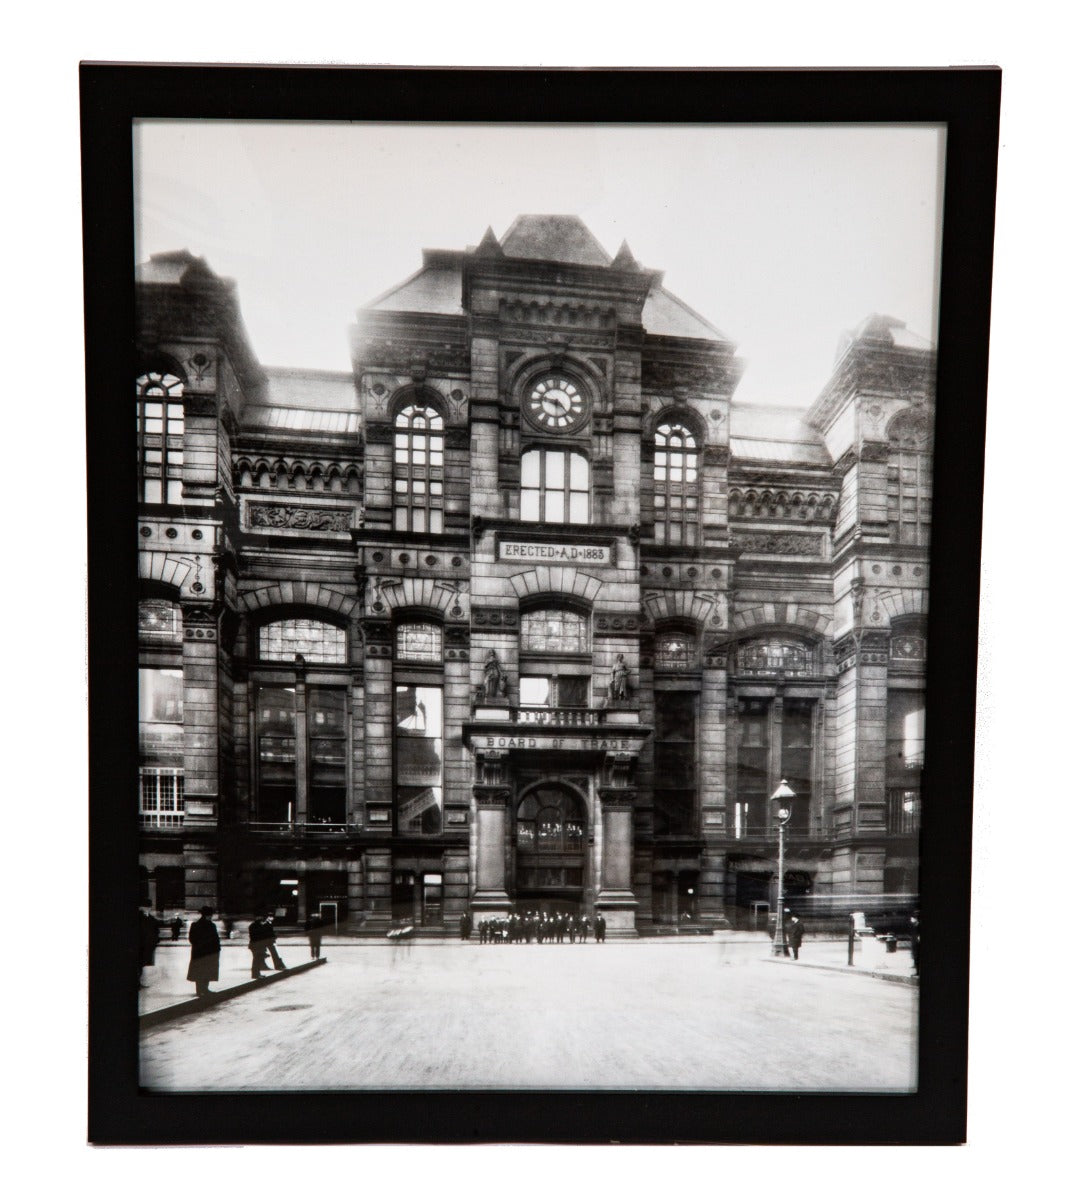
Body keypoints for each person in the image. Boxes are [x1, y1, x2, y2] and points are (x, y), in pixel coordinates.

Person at [187, 906, 220, 997]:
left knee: (204, 972)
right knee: (203, 972)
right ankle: (201, 990)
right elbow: (192, 939)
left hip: (204, 953)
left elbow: (216, 940)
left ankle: (203, 989)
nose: (210, 917)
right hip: (204, 953)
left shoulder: (206, 925)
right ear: (206, 915)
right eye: (209, 915)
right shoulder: (201, 925)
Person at [139, 909, 160, 988]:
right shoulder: (144, 918)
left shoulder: (152, 920)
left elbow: (156, 932)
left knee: (143, 964)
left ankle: (141, 981)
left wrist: (155, 942)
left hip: (148, 945)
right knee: (140, 963)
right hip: (142, 944)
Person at [248, 913, 271, 978]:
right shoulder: (256, 926)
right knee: (256, 960)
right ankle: (255, 974)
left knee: (257, 960)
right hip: (256, 945)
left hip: (255, 945)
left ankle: (256, 974)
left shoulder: (254, 925)